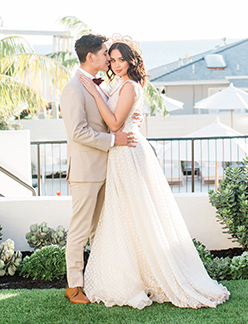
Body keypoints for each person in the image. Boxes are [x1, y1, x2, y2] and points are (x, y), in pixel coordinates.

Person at [79, 38, 230, 309]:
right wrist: (101, 94)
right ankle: (133, 273)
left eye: (120, 60)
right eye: (112, 60)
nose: (115, 64)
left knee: (139, 212)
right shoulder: (119, 85)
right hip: (121, 151)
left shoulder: (130, 86)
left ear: (131, 61)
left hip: (127, 152)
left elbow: (114, 124)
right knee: (126, 215)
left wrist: (93, 94)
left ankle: (155, 275)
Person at [58, 34, 137, 305]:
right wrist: (115, 139)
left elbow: (111, 115)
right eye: (105, 54)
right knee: (80, 230)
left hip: (109, 169)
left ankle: (98, 281)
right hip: (85, 171)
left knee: (100, 230)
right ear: (90, 57)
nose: (108, 58)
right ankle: (74, 286)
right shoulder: (73, 89)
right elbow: (78, 132)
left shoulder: (101, 85)